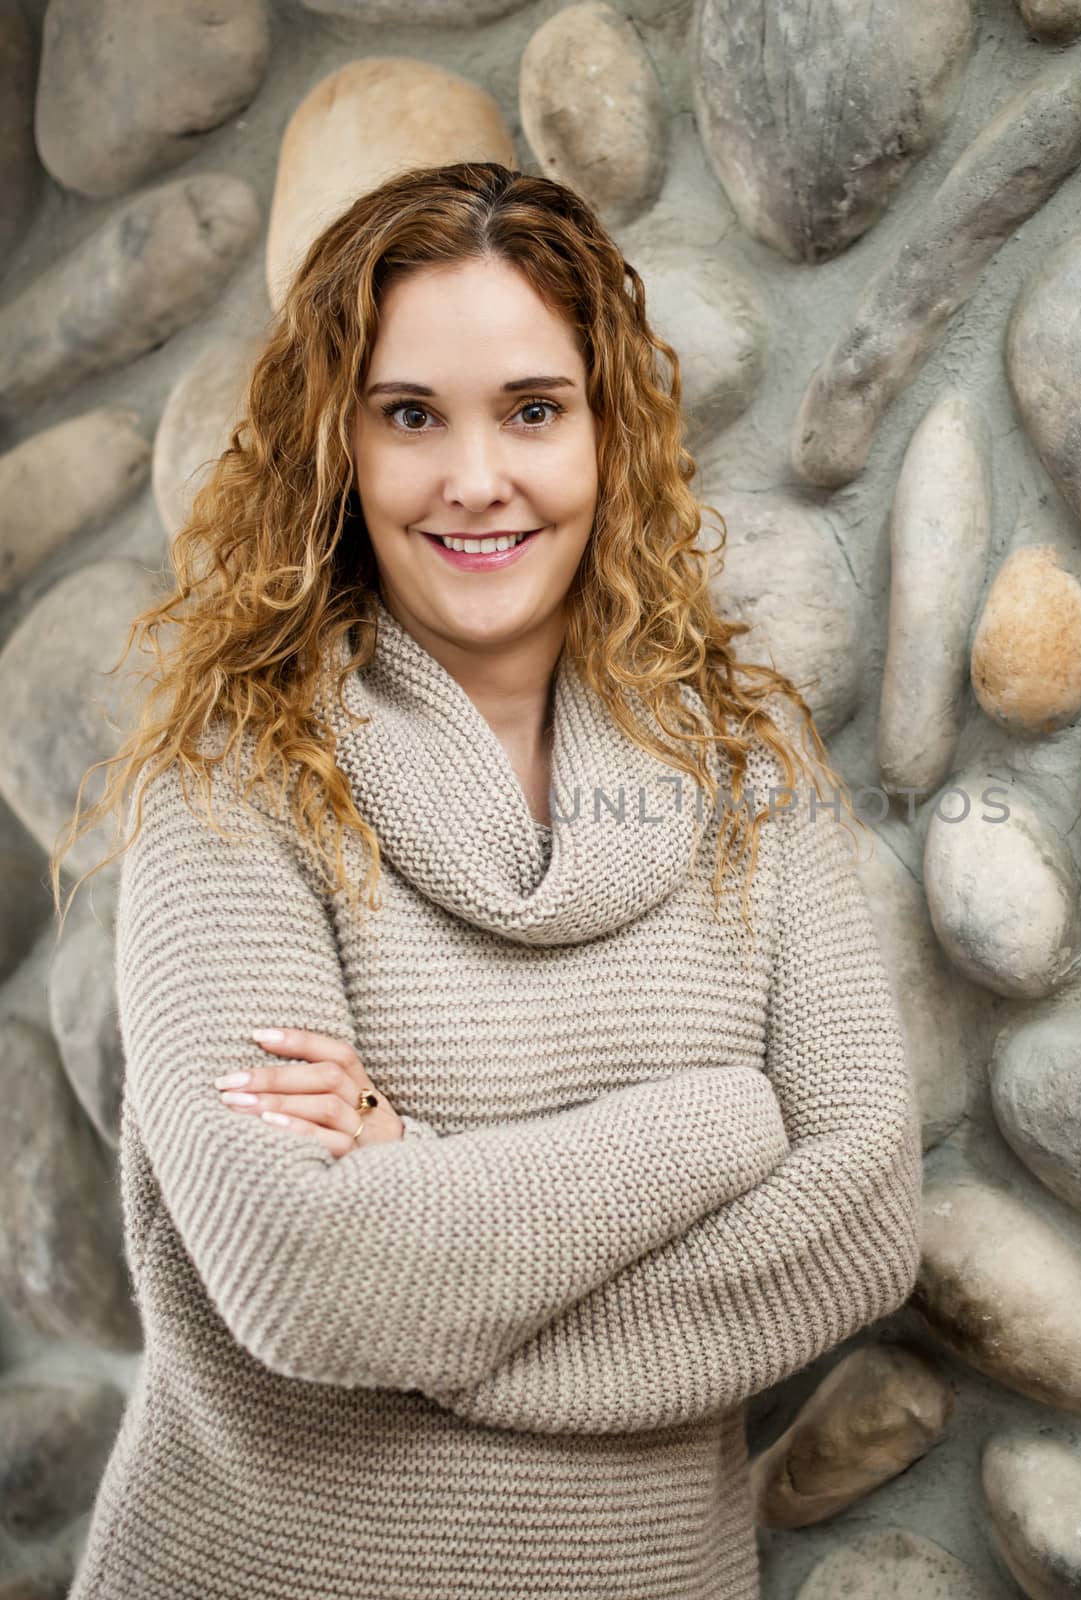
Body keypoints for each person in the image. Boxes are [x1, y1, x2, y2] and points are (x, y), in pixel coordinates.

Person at [49, 161, 922, 1599]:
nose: (476, 479)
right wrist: (721, 1128)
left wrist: (432, 1198)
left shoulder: (753, 775)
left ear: (608, 432)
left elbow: (862, 1230)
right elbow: (311, 1281)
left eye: (532, 409)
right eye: (410, 416)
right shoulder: (232, 787)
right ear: (338, 448)